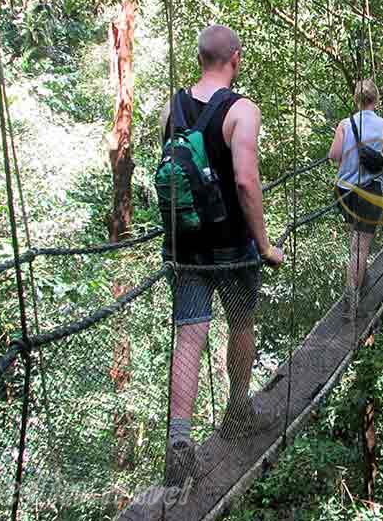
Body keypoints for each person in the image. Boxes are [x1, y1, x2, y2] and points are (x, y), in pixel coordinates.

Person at [160, 24, 284, 488]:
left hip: (186, 248)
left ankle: (179, 442)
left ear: (199, 58)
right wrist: (265, 246)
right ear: (235, 58)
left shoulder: (172, 107)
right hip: (232, 249)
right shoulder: (241, 110)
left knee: (189, 338)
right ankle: (237, 411)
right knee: (241, 324)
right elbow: (246, 182)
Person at [327, 79, 383, 317]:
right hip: (369, 192)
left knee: (357, 241)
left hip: (344, 192)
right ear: (376, 99)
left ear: (356, 100)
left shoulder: (345, 124)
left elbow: (333, 155)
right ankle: (351, 300)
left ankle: (360, 280)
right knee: (360, 246)